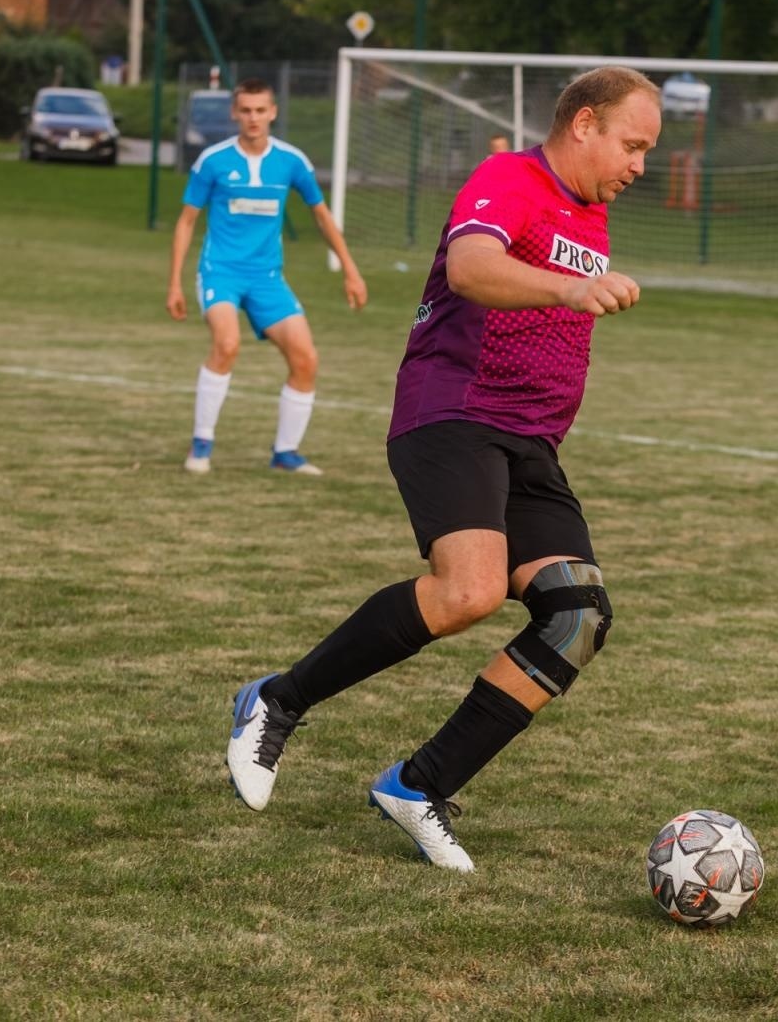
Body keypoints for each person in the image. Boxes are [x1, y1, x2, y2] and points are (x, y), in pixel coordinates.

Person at [225, 66, 662, 872]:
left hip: (529, 442)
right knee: (469, 590)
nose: (640, 165)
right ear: (586, 123)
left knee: (578, 617)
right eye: (633, 145)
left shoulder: (590, 218)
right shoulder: (510, 178)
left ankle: (419, 786)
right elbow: (470, 267)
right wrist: (571, 290)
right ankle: (276, 701)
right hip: (454, 414)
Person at [166, 77, 368, 476]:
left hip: (267, 278)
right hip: (220, 272)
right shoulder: (213, 161)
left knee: (306, 359)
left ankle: (286, 453)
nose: (253, 118)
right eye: (246, 110)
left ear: (273, 112)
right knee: (227, 343)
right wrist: (174, 281)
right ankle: (201, 445)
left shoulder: (292, 161)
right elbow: (187, 221)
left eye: (261, 110)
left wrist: (351, 269)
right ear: (234, 113)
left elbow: (321, 216)